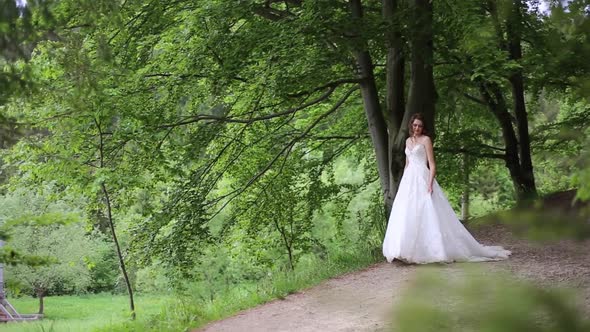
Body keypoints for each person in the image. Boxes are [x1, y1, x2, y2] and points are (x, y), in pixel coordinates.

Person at [382, 113, 511, 264]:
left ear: (423, 128)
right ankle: (403, 251)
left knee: (428, 212)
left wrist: (429, 184)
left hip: (423, 178)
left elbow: (432, 164)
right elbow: (407, 164)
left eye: (420, 126)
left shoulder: (426, 140)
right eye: (415, 125)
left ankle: (431, 251)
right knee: (407, 213)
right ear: (411, 125)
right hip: (409, 181)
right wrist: (404, 182)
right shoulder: (407, 141)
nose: (417, 128)